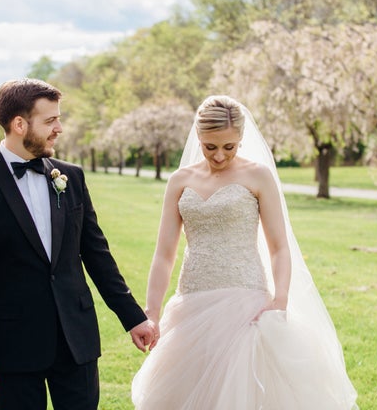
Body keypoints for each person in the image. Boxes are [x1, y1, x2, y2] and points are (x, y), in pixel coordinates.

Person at [132, 95, 359, 409]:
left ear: (240, 140)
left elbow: (278, 247)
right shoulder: (180, 181)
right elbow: (164, 253)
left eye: (230, 146)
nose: (221, 156)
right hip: (192, 301)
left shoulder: (258, 176)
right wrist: (152, 310)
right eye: (211, 147)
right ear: (198, 138)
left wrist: (280, 299)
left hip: (245, 299)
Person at [0, 78, 156, 410]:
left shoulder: (70, 177)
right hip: (12, 349)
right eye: (50, 121)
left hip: (76, 341)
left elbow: (96, 254)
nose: (59, 128)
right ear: (19, 124)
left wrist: (133, 317)